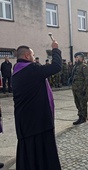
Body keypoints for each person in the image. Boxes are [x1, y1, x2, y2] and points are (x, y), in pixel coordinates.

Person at [12, 40, 62, 170]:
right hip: (39, 121)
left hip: (24, 121)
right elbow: (57, 66)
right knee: (43, 153)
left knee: (29, 152)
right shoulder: (32, 69)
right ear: (27, 56)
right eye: (33, 55)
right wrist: (55, 49)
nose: (34, 59)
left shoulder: (16, 73)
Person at [71, 52, 88, 125]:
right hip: (75, 88)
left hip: (81, 88)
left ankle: (83, 117)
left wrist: (85, 89)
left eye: (77, 57)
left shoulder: (84, 66)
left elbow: (87, 79)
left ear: (81, 58)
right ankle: (80, 116)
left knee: (83, 104)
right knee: (77, 103)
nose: (76, 59)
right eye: (75, 58)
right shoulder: (75, 66)